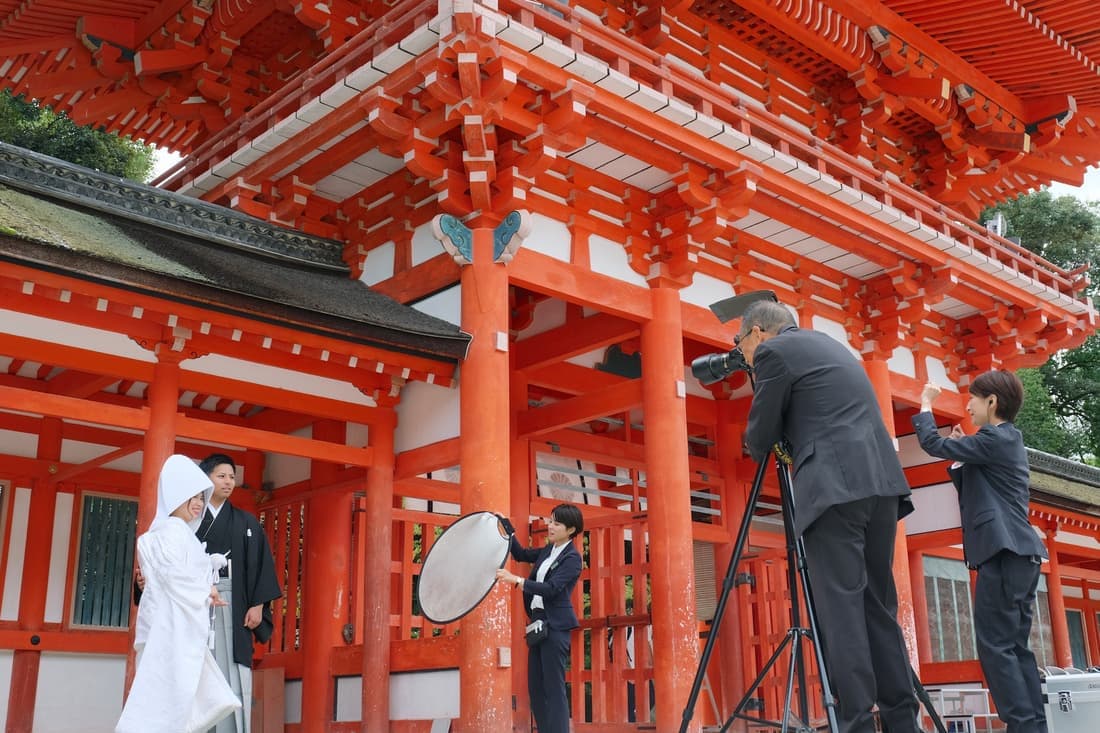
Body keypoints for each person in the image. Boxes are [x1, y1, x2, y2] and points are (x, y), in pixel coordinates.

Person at [738, 300, 921, 733]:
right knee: (878, 607)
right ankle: (901, 721)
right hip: (879, 484)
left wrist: (767, 434)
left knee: (841, 611)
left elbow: (760, 436)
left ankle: (856, 723)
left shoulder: (772, 353)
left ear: (759, 331)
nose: (742, 353)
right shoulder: (830, 345)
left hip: (834, 488)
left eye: (740, 342)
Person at [913, 372, 1048, 733]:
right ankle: (1032, 725)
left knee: (996, 648)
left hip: (1004, 554)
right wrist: (963, 455)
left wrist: (925, 403)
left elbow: (932, 444)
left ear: (992, 402)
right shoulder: (1004, 442)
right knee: (1014, 647)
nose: (968, 405)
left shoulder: (994, 437)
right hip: (1018, 554)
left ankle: (1021, 725)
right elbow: (976, 490)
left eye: (973, 398)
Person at [117, 454, 240, 733]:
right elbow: (174, 578)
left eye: (201, 498)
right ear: (175, 496)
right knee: (165, 700)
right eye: (192, 497)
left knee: (172, 700)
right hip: (169, 626)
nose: (198, 504)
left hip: (175, 625)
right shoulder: (168, 534)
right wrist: (205, 588)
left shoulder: (174, 534)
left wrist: (209, 569)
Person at [195, 453, 281, 733]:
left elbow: (261, 565)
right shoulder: (189, 520)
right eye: (221, 476)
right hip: (193, 601)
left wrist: (257, 604)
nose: (228, 482)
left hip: (233, 601)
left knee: (231, 668)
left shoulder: (246, 523)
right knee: (191, 666)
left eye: (232, 477)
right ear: (205, 479)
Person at [496, 504, 584, 733]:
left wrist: (516, 580)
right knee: (535, 688)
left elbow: (552, 588)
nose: (550, 525)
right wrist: (507, 526)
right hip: (537, 625)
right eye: (550, 520)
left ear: (571, 529)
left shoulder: (572, 558)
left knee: (554, 687)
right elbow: (521, 554)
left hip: (555, 627)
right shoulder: (548, 550)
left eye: (556, 523)